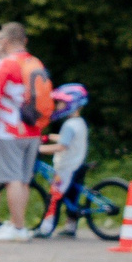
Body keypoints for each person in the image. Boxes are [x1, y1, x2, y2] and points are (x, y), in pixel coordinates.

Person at [0, 22, 52, 240]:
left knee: (11, 179)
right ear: (25, 41)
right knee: (23, 179)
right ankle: (17, 224)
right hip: (33, 130)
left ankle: (18, 229)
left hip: (9, 132)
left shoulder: (7, 65)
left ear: (5, 41)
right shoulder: (35, 62)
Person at [37, 83, 91, 239]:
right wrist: (48, 137)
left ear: (71, 103)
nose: (58, 106)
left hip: (66, 166)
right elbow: (68, 140)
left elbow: (61, 146)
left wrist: (38, 149)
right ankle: (70, 226)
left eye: (61, 102)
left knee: (54, 196)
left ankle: (46, 228)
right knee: (72, 195)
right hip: (78, 164)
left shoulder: (68, 125)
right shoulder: (79, 123)